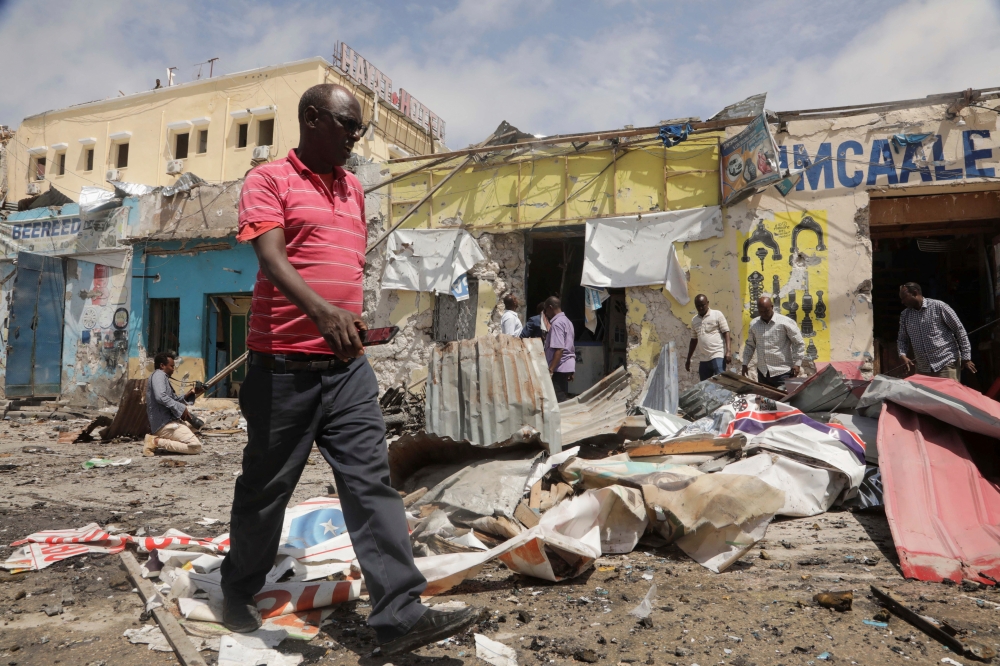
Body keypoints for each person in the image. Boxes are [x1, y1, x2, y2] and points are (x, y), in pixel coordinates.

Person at [219, 83, 476, 653]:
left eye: (358, 129)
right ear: (313, 120)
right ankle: (237, 587)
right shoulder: (268, 180)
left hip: (345, 369)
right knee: (266, 489)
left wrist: (350, 322)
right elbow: (271, 257)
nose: (356, 139)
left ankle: (399, 615)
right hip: (281, 368)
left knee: (370, 485)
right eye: (347, 127)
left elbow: (343, 267)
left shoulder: (354, 188)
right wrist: (322, 311)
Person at [897, 282, 975, 380]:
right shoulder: (905, 315)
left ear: (915, 293)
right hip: (923, 369)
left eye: (904, 297)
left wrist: (966, 356)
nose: (902, 302)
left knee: (947, 395)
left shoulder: (939, 307)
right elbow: (902, 339)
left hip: (945, 364)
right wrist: (902, 355)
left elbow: (959, 330)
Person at [144, 352, 205, 456]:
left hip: (170, 421)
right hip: (164, 424)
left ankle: (174, 437)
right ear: (162, 366)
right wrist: (182, 408)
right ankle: (155, 441)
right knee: (196, 447)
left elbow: (173, 400)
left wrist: (191, 393)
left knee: (201, 422)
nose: (173, 369)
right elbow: (161, 397)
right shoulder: (159, 375)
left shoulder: (163, 377)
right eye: (171, 366)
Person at [741, 296, 805, 389]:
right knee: (765, 402)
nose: (764, 314)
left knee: (785, 401)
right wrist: (745, 363)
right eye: (761, 311)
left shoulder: (785, 322)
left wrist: (797, 363)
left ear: (772, 306)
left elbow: (798, 343)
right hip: (763, 373)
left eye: (766, 311)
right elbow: (750, 345)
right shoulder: (754, 324)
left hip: (783, 372)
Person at [685, 294, 731, 381]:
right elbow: (693, 340)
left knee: (721, 382)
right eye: (698, 306)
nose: (701, 308)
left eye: (703, 305)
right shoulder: (694, 320)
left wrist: (728, 351)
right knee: (705, 386)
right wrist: (688, 359)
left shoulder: (717, 314)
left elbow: (726, 332)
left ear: (708, 303)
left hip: (717, 355)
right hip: (703, 359)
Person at [543, 296, 575, 401]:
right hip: (565, 366)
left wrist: (550, 370)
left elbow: (559, 349)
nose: (546, 313)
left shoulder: (557, 324)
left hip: (558, 367)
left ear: (550, 307)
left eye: (546, 310)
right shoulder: (567, 321)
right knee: (560, 396)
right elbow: (569, 346)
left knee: (558, 399)